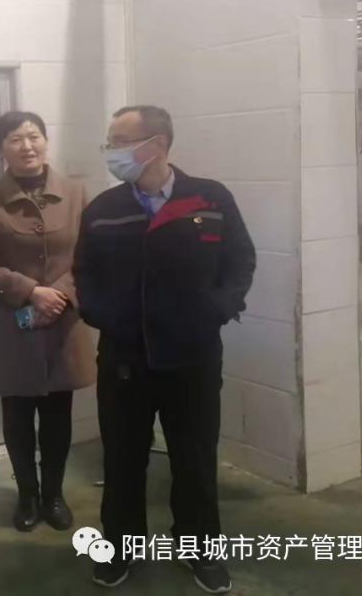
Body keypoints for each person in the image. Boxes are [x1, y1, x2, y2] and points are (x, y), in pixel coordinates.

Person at [74, 105, 256, 593]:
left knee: (195, 461)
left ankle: (200, 550)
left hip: (193, 359)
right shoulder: (104, 209)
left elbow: (240, 260)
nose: (110, 150)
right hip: (125, 360)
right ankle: (121, 548)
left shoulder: (210, 198)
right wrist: (103, 315)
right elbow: (84, 272)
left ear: (155, 144)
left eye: (119, 140)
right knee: (123, 461)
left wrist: (218, 307)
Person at [0, 111, 96, 533]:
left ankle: (53, 494)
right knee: (17, 416)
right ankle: (27, 494)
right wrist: (30, 291)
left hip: (62, 319)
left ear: (45, 141)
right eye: (15, 139)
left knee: (58, 413)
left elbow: (89, 254)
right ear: (1, 149)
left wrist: (59, 293)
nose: (26, 146)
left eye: (33, 136)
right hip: (10, 322)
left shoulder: (76, 193)